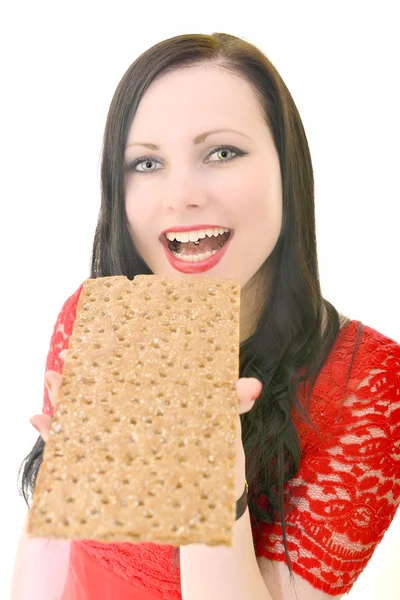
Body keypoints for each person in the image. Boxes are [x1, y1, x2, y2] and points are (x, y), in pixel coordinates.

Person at [13, 32, 400, 600]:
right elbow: (45, 552)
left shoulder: (371, 383)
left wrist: (208, 474)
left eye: (221, 152)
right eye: (146, 162)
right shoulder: (92, 318)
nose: (180, 195)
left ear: (286, 169)